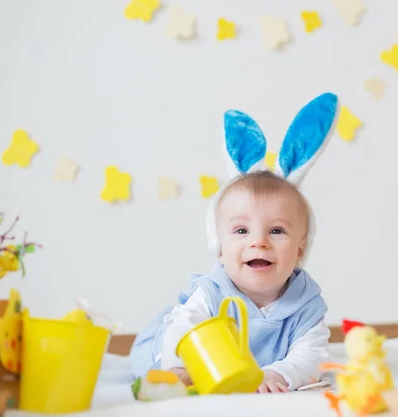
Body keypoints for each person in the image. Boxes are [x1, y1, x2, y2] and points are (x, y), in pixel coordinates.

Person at [128, 92, 340, 393]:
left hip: (255, 368)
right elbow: (184, 330)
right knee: (165, 362)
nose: (259, 242)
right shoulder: (212, 293)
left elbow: (311, 357)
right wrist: (181, 366)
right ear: (219, 245)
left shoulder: (305, 305)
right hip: (183, 355)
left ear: (300, 248)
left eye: (277, 231)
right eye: (241, 231)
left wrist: (279, 374)